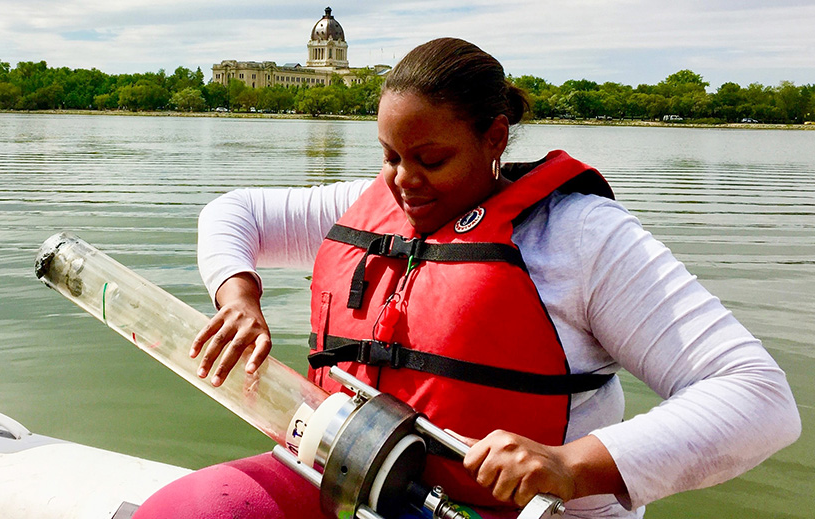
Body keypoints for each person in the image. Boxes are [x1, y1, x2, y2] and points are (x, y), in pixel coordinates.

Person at [134, 38, 801, 518]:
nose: (402, 182)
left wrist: (571, 464)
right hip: (361, 487)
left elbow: (760, 398)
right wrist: (240, 295)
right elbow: (233, 212)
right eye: (390, 156)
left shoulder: (579, 237)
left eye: (429, 158)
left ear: (495, 138)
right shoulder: (376, 202)